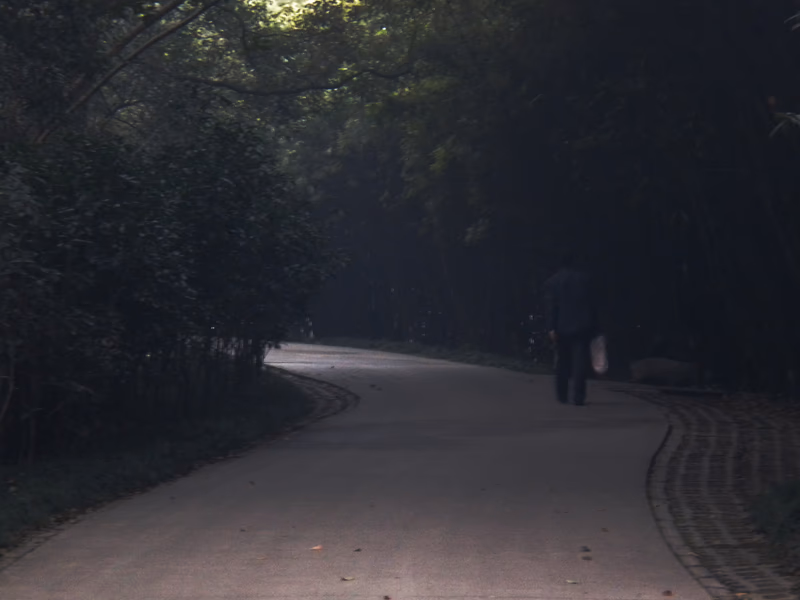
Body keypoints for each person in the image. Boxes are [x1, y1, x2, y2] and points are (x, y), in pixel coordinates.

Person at [544, 251, 599, 406]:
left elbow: (551, 307)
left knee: (562, 361)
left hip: (561, 327)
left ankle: (562, 395)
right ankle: (578, 396)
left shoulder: (552, 282)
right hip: (582, 326)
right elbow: (591, 305)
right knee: (580, 362)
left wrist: (551, 328)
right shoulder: (585, 280)